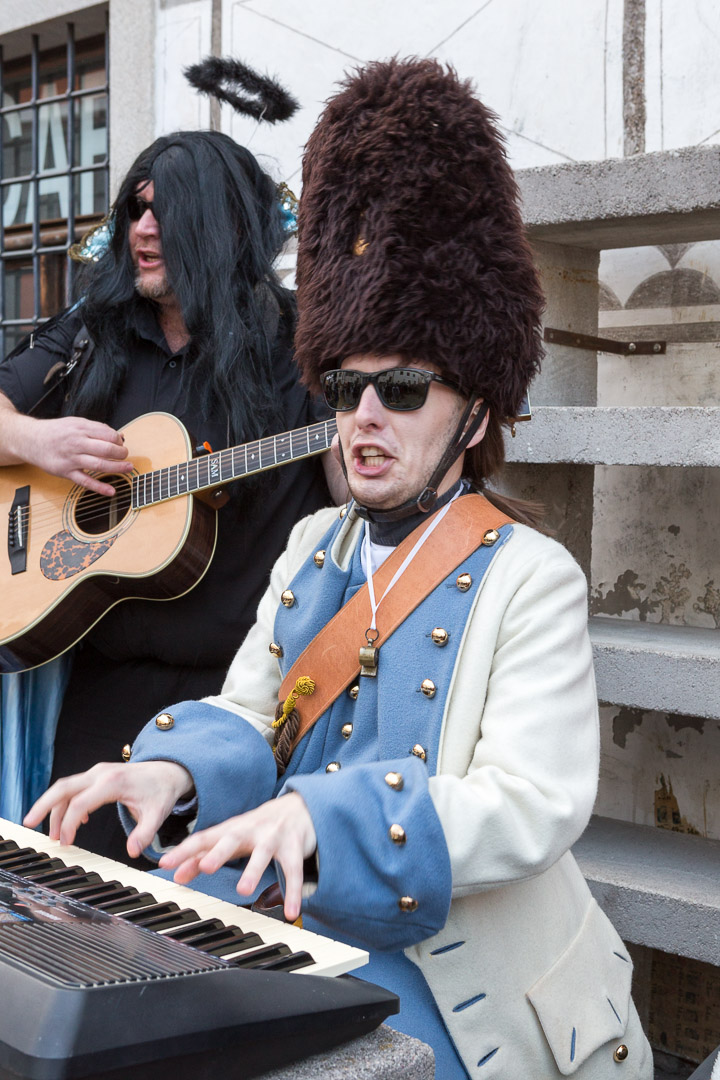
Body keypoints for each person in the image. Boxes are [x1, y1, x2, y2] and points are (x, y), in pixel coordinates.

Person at [26, 60, 653, 1078]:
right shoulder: (313, 547)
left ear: (479, 411)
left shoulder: (530, 575)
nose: (365, 416)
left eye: (403, 389)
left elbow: (530, 804)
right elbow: (249, 709)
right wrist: (169, 766)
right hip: (302, 938)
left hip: (459, 981)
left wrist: (323, 814)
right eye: (346, 387)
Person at [1, 129, 338, 860]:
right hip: (97, 690)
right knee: (82, 917)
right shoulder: (94, 332)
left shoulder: (304, 345)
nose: (142, 231)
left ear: (221, 225)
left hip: (239, 706)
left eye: (166, 213)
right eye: (137, 210)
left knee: (213, 925)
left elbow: (353, 500)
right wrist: (36, 442)